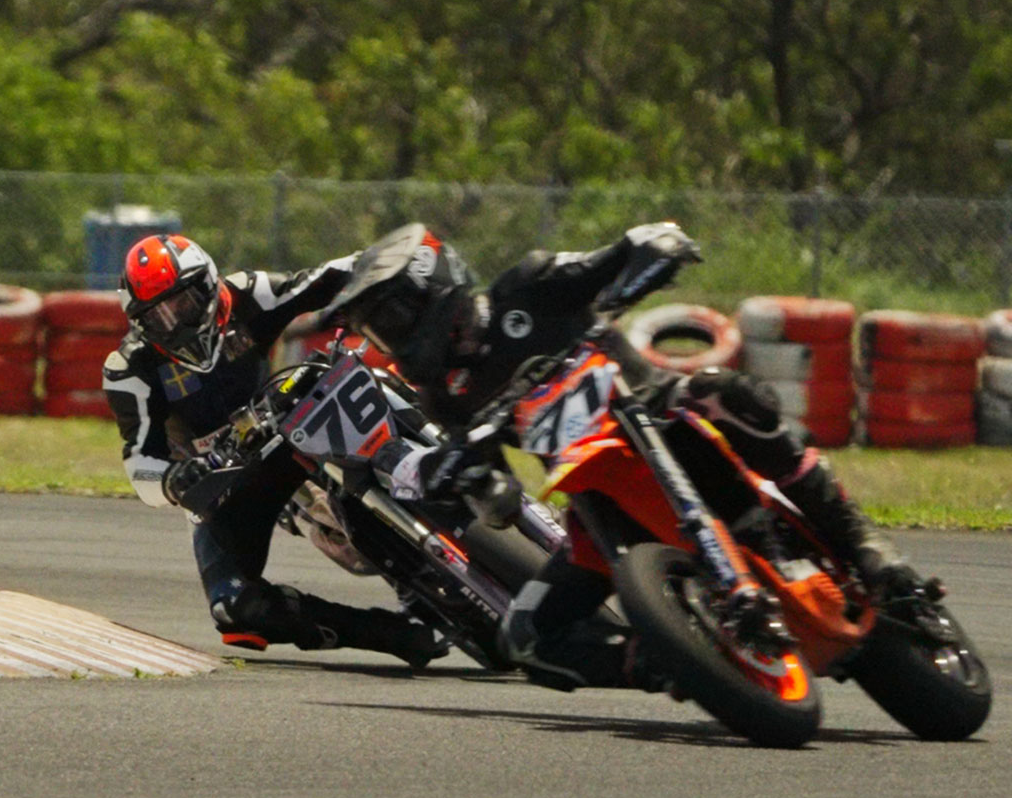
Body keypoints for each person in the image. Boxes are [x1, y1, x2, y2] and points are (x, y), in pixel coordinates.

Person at [331, 222, 919, 688]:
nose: (390, 340)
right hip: (597, 494)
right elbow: (485, 483)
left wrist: (649, 248)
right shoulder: (444, 397)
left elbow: (615, 254)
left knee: (726, 394)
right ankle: (676, 661)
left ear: (432, 290)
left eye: (390, 319)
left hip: (660, 413)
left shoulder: (528, 286)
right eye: (376, 331)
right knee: (526, 636)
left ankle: (866, 546)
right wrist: (472, 485)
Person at [102, 231, 445, 668]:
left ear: (209, 283)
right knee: (235, 610)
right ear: (138, 321)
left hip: (293, 422)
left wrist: (392, 260)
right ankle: (384, 632)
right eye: (158, 317)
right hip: (223, 478)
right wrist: (173, 480)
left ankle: (443, 453)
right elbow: (139, 464)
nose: (175, 323)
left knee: (364, 377)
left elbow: (324, 279)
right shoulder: (129, 368)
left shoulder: (248, 294)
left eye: (183, 304)